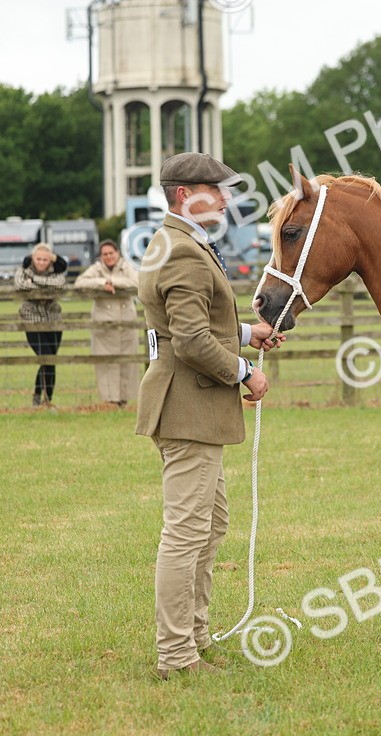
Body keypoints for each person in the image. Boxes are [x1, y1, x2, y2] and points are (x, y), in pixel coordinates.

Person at [135, 152, 285, 680]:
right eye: (216, 190)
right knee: (186, 532)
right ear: (185, 194)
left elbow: (191, 324)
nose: (224, 199)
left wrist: (247, 333)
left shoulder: (182, 242)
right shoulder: (182, 251)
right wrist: (246, 371)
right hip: (188, 405)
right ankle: (176, 656)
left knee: (211, 523)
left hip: (191, 403)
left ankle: (195, 636)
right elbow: (193, 341)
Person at [74, 240, 140, 406]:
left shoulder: (127, 267)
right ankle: (110, 401)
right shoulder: (96, 269)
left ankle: (124, 400)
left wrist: (114, 282)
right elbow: (80, 282)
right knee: (106, 363)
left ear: (117, 253)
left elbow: (138, 282)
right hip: (103, 324)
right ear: (100, 256)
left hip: (126, 323)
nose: (109, 257)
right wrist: (102, 283)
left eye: (111, 253)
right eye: (105, 254)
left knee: (127, 362)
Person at [14, 243, 67, 406]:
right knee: (45, 357)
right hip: (32, 319)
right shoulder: (23, 271)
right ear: (33, 258)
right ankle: (39, 396)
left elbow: (59, 284)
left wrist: (35, 281)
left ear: (50, 260)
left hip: (53, 319)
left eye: (45, 259)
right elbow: (21, 284)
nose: (42, 262)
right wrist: (45, 284)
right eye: (38, 259)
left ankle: (46, 398)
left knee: (51, 359)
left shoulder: (56, 272)